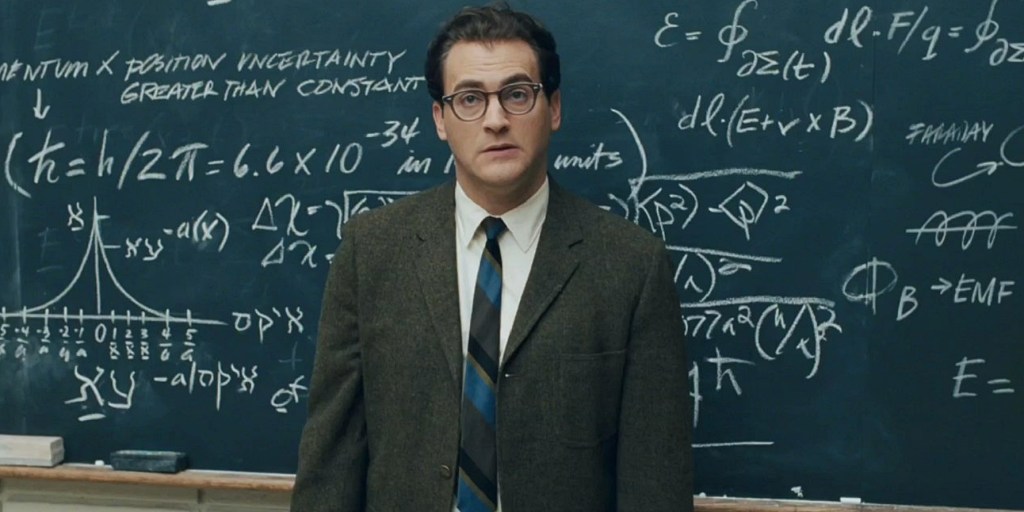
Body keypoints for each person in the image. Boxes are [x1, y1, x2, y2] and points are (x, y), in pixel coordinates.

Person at [291, 3, 692, 511]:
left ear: (554, 108)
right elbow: (331, 459)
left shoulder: (632, 265)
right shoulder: (371, 251)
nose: (496, 120)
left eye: (517, 94)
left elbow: (655, 477)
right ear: (440, 119)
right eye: (469, 99)